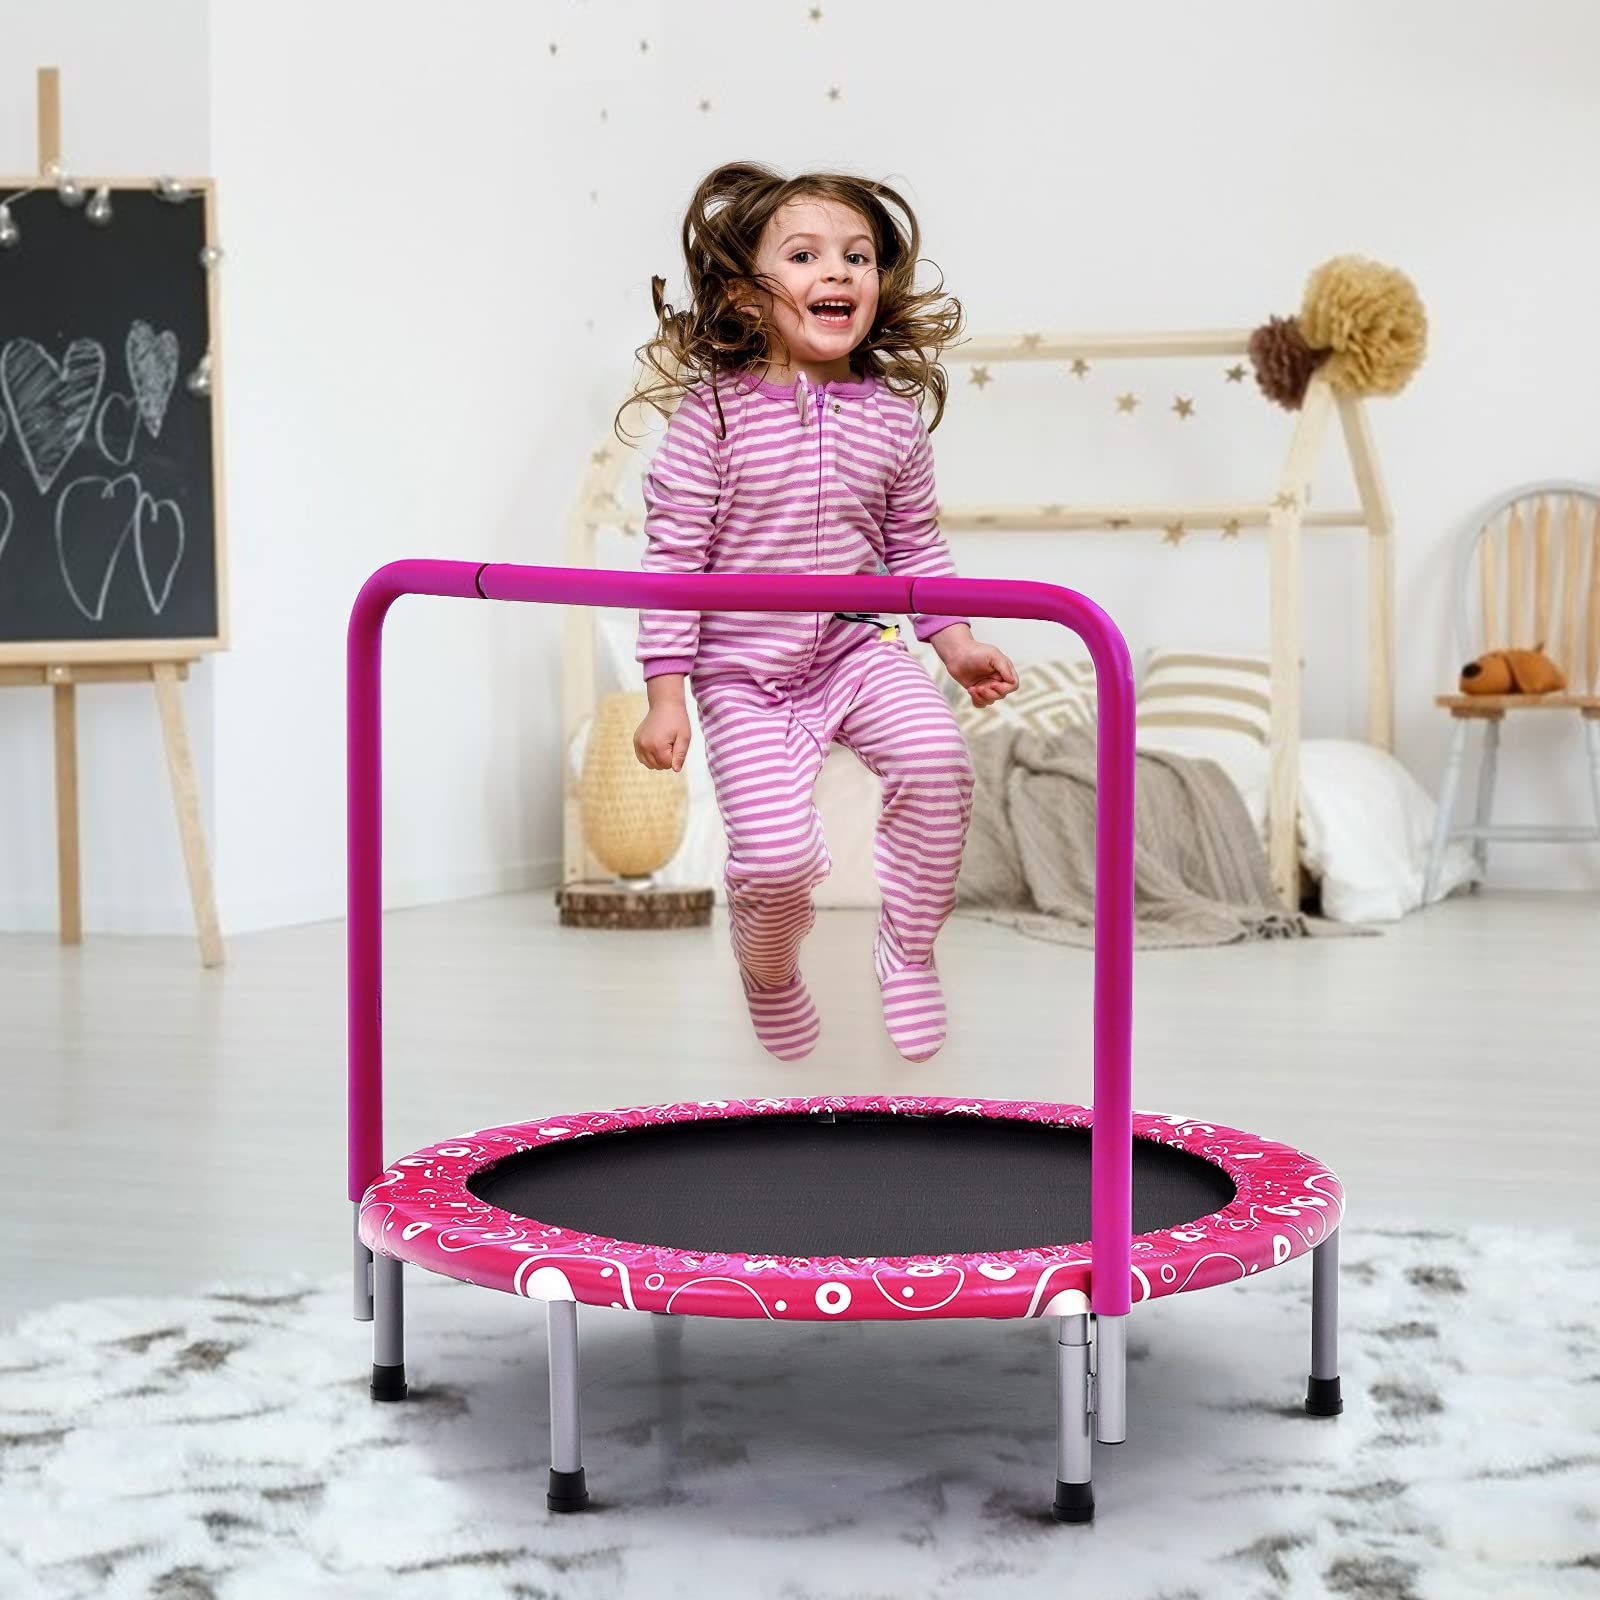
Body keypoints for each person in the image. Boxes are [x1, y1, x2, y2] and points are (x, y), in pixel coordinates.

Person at [624, 161, 1016, 1063]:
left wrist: (955, 644)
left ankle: (908, 952)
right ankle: (767, 969)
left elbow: (916, 547)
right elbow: (673, 562)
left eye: (857, 257)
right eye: (804, 256)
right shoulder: (712, 420)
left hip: (856, 652)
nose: (837, 271)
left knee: (937, 761)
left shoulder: (893, 421)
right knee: (774, 862)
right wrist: (665, 694)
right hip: (743, 677)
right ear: (744, 294)